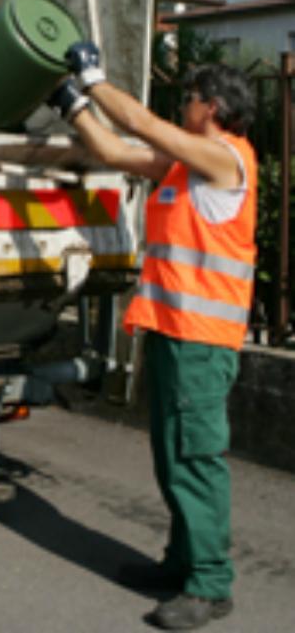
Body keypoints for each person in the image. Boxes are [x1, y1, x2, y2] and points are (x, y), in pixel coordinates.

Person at [49, 44, 256, 631]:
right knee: (171, 457)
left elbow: (139, 123)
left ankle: (210, 585)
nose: (183, 104)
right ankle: (181, 565)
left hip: (203, 339)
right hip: (172, 332)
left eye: (189, 98)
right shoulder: (181, 168)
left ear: (212, 108)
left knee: (195, 459)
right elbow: (115, 148)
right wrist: (72, 106)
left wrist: (93, 77)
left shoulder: (225, 159)